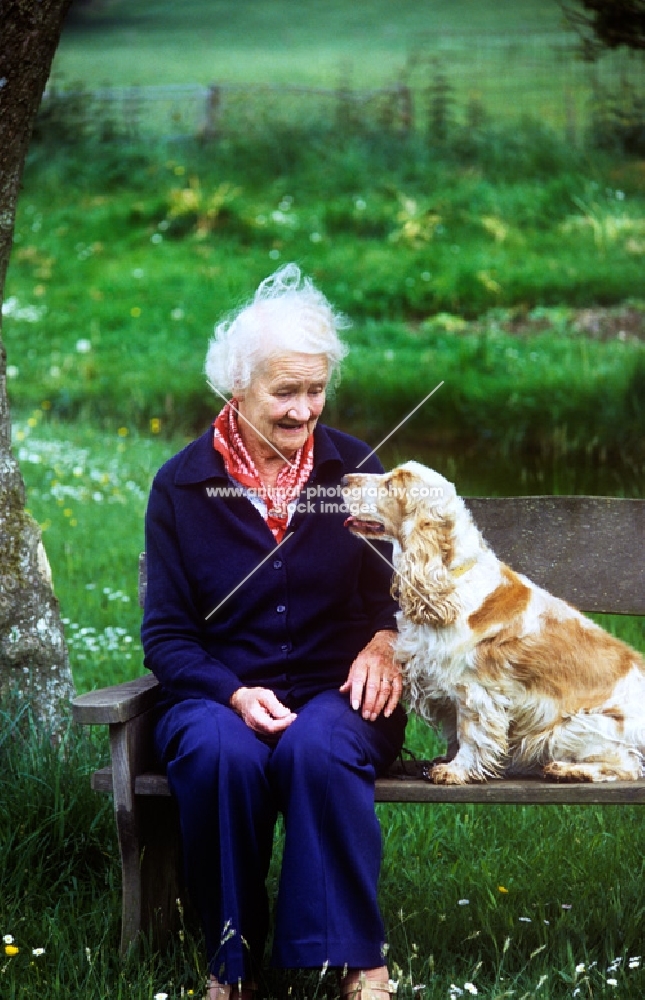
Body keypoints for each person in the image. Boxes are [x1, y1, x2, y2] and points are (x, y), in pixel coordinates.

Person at [142, 264, 406, 1000]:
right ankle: (232, 964)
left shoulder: (354, 467)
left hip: (338, 691)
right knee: (219, 755)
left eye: (315, 389)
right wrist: (230, 693)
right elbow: (165, 637)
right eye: (283, 392)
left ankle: (359, 961)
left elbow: (399, 594)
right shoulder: (181, 484)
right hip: (216, 694)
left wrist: (384, 643)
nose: (303, 410)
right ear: (237, 386)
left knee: (319, 748)